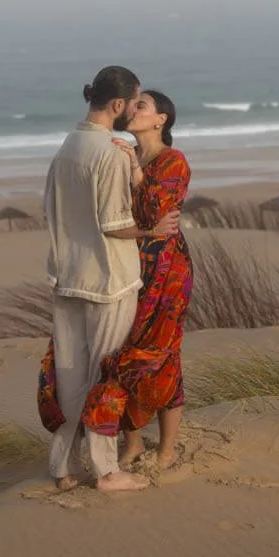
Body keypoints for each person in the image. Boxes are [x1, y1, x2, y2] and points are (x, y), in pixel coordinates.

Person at [44, 66, 180, 493]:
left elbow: (51, 209)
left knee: (69, 375)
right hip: (108, 281)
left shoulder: (67, 145)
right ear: (118, 105)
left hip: (67, 277)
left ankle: (62, 469)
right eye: (134, 101)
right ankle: (106, 472)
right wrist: (151, 232)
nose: (136, 108)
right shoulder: (109, 150)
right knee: (107, 376)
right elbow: (115, 222)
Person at [81, 89, 192, 471]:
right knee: (122, 349)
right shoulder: (123, 152)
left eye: (142, 105)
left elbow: (158, 215)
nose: (133, 109)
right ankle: (134, 444)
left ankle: (166, 450)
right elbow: (120, 214)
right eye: (132, 104)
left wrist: (135, 172)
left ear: (161, 119)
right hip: (130, 263)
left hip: (168, 269)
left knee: (162, 353)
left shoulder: (173, 160)